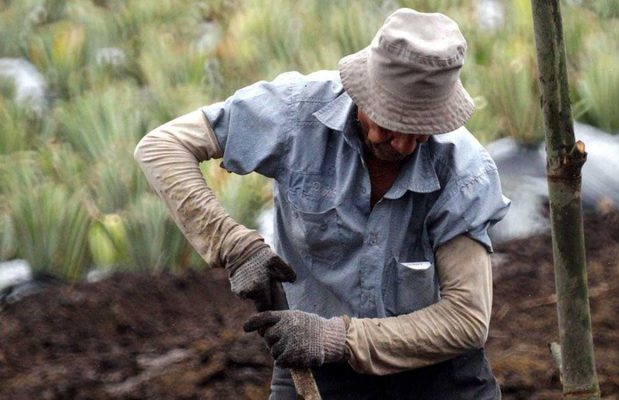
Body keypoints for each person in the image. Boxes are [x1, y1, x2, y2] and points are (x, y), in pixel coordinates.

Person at [135, 8, 509, 400]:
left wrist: (338, 337)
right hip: (314, 367)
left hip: (436, 372)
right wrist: (232, 244)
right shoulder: (296, 115)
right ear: (361, 93)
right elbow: (162, 147)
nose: (400, 144)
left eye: (417, 132)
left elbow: (466, 319)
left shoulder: (464, 171)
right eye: (388, 125)